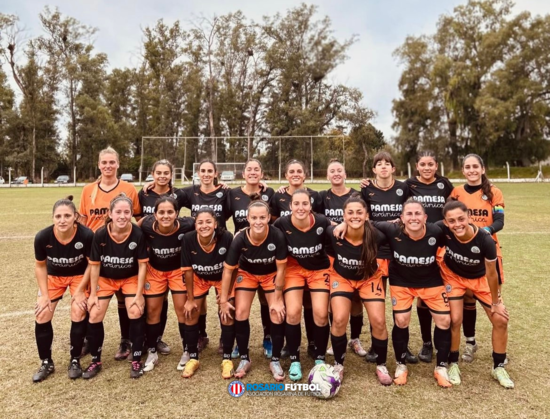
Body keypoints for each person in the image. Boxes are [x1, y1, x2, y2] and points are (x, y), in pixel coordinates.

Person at [372, 199, 452, 387]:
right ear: (401, 218)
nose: (413, 218)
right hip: (402, 281)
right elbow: (368, 223)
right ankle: (401, 365)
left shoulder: (436, 231)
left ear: (425, 217)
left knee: (445, 321)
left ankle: (441, 367)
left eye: (417, 214)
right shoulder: (392, 230)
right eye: (409, 214)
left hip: (430, 281)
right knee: (401, 320)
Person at [438, 200, 513, 388]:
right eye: (452, 221)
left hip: (480, 280)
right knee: (455, 319)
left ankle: (499, 366)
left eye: (461, 219)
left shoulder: (485, 239)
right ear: (446, 223)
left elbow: (491, 272)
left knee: (500, 319)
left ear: (469, 217)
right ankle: (453, 363)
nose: (457, 224)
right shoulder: (443, 230)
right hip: (453, 276)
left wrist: (496, 302)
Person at [79, 146, 142, 361]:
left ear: (118, 164)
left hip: (122, 249)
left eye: (111, 162)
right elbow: (82, 219)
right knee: (93, 296)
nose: (108, 166)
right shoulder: (88, 190)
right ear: (99, 165)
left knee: (125, 297)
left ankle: (127, 340)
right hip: (94, 250)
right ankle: (89, 339)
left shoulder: (129, 189)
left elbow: (138, 217)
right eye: (104, 162)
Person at [327, 194, 392, 386]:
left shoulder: (377, 234)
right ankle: (339, 364)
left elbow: (399, 228)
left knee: (379, 321)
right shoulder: (334, 234)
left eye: (359, 212)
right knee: (338, 318)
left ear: (366, 215)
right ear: (343, 215)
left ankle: (381, 364)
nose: (355, 216)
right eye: (350, 213)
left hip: (369, 278)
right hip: (342, 278)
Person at [219, 195, 287, 380]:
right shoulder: (240, 238)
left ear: (268, 217)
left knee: (276, 312)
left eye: (262, 217)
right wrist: (224, 300)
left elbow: (281, 269)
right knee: (240, 312)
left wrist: (279, 299)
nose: (258, 221)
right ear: (248, 218)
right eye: (254, 218)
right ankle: (244, 357)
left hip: (270, 275)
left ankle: (275, 360)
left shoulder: (277, 235)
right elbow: (227, 271)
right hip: (247, 274)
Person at [83, 194, 148, 379]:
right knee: (94, 313)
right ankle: (95, 360)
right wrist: (93, 293)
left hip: (130, 278)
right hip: (106, 279)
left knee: (135, 311)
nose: (122, 216)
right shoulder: (101, 234)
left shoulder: (137, 233)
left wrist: (139, 294)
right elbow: (94, 265)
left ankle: (136, 359)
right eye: (118, 212)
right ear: (110, 213)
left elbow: (142, 265)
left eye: (126, 212)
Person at [360, 151, 417, 364]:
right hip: (375, 251)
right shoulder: (367, 189)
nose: (383, 167)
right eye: (379, 164)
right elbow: (362, 216)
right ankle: (376, 345)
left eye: (387, 164)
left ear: (393, 168)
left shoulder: (404, 188)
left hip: (399, 251)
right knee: (377, 302)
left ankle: (403, 347)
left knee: (400, 303)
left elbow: (411, 212)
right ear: (374, 169)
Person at [450, 154, 506, 363]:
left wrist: (483, 232)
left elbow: (500, 221)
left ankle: (499, 352)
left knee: (495, 301)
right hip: (464, 253)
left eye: (475, 166)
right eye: (467, 167)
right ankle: (470, 342)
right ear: (463, 171)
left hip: (489, 252)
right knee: (467, 297)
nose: (472, 170)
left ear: (482, 169)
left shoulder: (494, 192)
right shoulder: (456, 193)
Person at [32, 196, 94, 382]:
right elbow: (40, 266)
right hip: (54, 276)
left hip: (79, 276)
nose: (62, 220)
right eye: (58, 216)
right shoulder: (43, 237)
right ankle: (46, 362)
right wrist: (44, 295)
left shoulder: (86, 235)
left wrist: (81, 290)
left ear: (75, 216)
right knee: (42, 313)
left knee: (78, 310)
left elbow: (92, 265)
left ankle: (75, 360)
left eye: (67, 215)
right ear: (53, 218)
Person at [273, 189, 332, 381]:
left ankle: (320, 359)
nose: (300, 207)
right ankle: (295, 359)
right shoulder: (281, 223)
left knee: (321, 314)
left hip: (318, 270)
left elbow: (337, 233)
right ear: (290, 206)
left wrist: (341, 226)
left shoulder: (322, 222)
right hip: (293, 269)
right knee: (293, 312)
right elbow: (266, 234)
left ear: (311, 205)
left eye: (304, 203)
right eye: (296, 204)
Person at [176, 159, 232, 351]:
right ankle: (201, 335)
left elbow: (244, 203)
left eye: (210, 171)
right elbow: (168, 196)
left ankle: (225, 340)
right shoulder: (190, 192)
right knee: (197, 299)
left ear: (216, 173)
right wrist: (151, 187)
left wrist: (263, 185)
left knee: (223, 299)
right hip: (198, 246)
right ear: (198, 173)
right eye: (203, 170)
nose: (206, 174)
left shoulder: (225, 192)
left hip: (220, 247)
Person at [405, 151, 453, 363]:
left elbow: (451, 207)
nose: (426, 168)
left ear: (436, 166)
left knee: (440, 292)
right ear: (417, 166)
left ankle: (451, 341)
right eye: (423, 164)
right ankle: (426, 343)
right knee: (422, 298)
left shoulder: (445, 184)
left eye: (430, 164)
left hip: (440, 243)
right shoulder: (409, 185)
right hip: (417, 244)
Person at [271, 159, 322, 359]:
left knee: (311, 304)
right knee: (291, 306)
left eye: (299, 171)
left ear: (305, 174)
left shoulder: (316, 196)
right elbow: (273, 221)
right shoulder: (278, 196)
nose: (295, 174)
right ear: (286, 175)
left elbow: (322, 223)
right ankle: (290, 345)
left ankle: (312, 342)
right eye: (291, 171)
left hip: (313, 260)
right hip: (290, 261)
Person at [138, 196, 194, 372]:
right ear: (154, 214)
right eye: (161, 212)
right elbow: (133, 228)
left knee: (182, 310)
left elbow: (205, 223)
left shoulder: (187, 224)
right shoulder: (147, 224)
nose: (165, 216)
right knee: (153, 310)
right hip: (155, 272)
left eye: (170, 212)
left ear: (177, 213)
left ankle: (187, 350)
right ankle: (152, 351)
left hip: (178, 271)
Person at [227, 159, 275, 359]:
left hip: (265, 254)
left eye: (257, 169)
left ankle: (268, 337)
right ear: (243, 173)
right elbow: (219, 217)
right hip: (241, 255)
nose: (253, 172)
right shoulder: (231, 193)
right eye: (249, 169)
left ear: (261, 173)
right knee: (240, 301)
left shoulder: (270, 193)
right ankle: (240, 341)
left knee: (266, 298)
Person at [320, 160, 367, 358]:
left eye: (340, 170)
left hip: (355, 252)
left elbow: (366, 218)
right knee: (335, 299)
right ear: (327, 176)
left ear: (345, 173)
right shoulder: (322, 197)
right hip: (331, 253)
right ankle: (335, 339)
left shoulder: (357, 195)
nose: (336, 173)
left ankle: (355, 338)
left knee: (356, 298)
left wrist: (345, 225)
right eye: (332, 171)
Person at [180, 208, 234, 378]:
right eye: (200, 222)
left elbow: (230, 269)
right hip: (199, 278)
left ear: (215, 223)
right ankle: (193, 357)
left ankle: (227, 358)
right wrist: (190, 299)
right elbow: (188, 271)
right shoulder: (188, 239)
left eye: (208, 222)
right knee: (190, 312)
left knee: (227, 312)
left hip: (221, 278)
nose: (204, 225)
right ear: (195, 224)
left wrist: (225, 297)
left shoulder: (226, 237)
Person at [138, 159, 180, 356]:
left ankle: (158, 339)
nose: (162, 176)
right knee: (153, 302)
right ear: (152, 174)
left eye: (166, 173)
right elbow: (136, 220)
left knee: (166, 301)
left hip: (171, 258)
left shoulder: (178, 194)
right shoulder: (143, 193)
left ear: (171, 175)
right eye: (158, 173)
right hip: (150, 256)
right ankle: (147, 340)